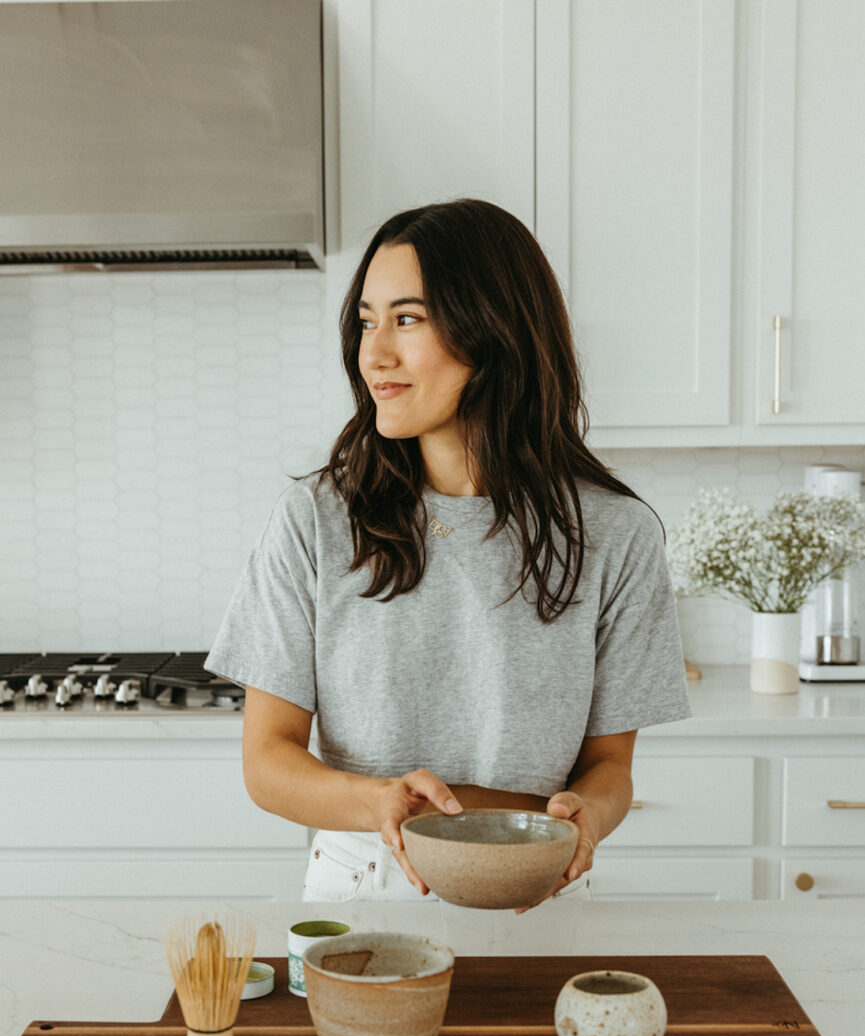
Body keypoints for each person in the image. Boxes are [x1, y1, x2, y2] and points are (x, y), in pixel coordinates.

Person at [204, 198, 691, 910]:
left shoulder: (613, 533)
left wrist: (590, 818)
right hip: (362, 885)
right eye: (366, 321)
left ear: (494, 330)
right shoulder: (314, 520)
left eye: (407, 319)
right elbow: (267, 762)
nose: (374, 353)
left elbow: (609, 766)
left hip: (536, 886)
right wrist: (376, 802)